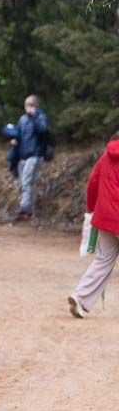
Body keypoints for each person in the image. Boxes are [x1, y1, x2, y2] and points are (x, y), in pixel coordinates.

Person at [68, 134, 119, 318]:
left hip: (105, 218)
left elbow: (93, 183)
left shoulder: (106, 156)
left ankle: (80, 297)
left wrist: (91, 209)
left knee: (103, 260)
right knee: (104, 260)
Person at [13, 95, 51, 220]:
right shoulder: (22, 119)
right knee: (26, 184)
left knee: (27, 181)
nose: (29, 108)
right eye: (27, 105)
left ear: (36, 106)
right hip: (23, 156)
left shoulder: (41, 118)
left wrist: (34, 117)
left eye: (31, 105)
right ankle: (29, 210)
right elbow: (18, 133)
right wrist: (14, 139)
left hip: (35, 155)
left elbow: (43, 131)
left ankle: (24, 207)